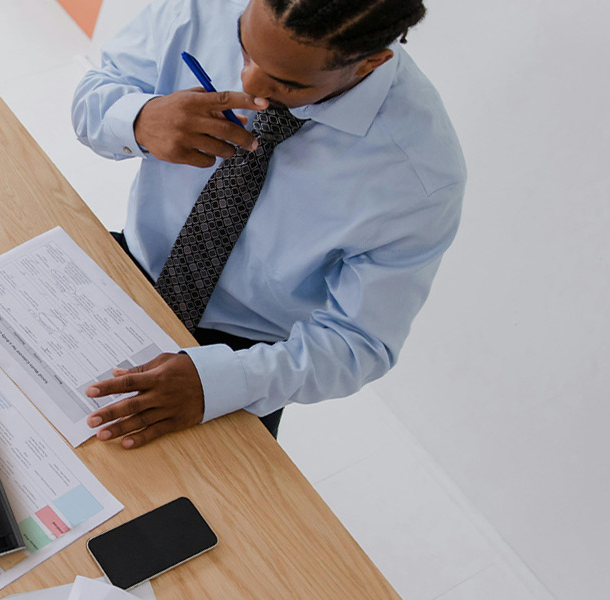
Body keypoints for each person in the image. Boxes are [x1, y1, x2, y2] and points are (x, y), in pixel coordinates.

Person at [70, 0, 465, 448]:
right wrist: (141, 119)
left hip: (246, 359)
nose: (248, 82)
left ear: (370, 64)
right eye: (243, 46)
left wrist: (219, 384)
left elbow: (360, 342)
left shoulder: (419, 178)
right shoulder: (207, 7)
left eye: (288, 83)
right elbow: (94, 94)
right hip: (126, 270)